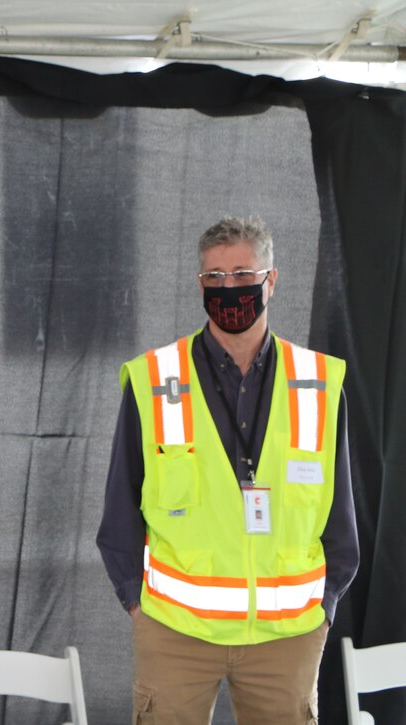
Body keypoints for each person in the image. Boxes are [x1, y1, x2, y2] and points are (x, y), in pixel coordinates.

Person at [96, 217, 359, 724]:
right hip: (176, 634)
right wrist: (138, 603)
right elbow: (119, 507)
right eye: (214, 277)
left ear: (271, 280)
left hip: (287, 639)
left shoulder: (318, 383)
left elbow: (342, 511)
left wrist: (324, 606)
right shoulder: (154, 380)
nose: (228, 287)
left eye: (242, 273)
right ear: (200, 286)